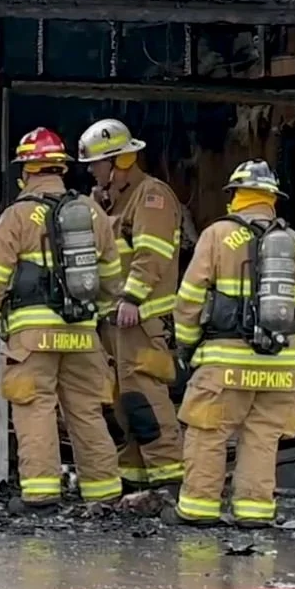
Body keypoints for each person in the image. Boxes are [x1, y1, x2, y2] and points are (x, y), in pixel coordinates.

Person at [0, 127, 128, 509]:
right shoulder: (92, 212)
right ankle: (104, 492)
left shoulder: (17, 217)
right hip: (81, 331)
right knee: (86, 412)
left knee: (34, 407)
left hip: (32, 335)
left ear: (26, 171)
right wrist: (101, 314)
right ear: (60, 168)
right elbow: (111, 277)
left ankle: (41, 495)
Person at [170, 161, 295, 528]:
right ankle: (254, 514)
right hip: (280, 369)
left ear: (236, 196)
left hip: (224, 363)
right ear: (273, 199)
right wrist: (290, 353)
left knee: (208, 434)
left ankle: (198, 511)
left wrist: (187, 349)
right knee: (262, 440)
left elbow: (189, 300)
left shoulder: (217, 236)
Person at [77, 118, 186, 490]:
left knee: (145, 397)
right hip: (115, 319)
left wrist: (132, 296)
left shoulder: (151, 196)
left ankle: (169, 476)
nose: (92, 172)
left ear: (120, 162)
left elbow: (151, 253)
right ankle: (135, 476)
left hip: (142, 317)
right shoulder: (105, 200)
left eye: (97, 164)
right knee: (124, 401)